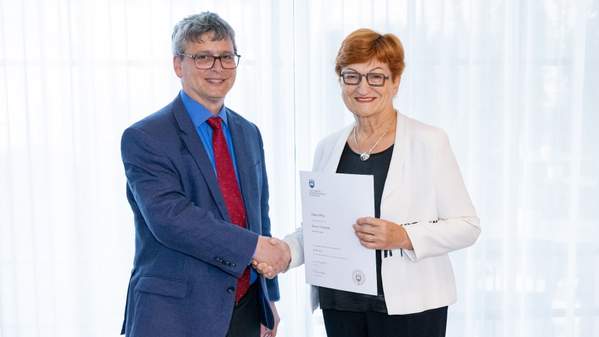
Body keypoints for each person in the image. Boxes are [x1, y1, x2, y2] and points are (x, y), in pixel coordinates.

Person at [255, 28, 481, 337]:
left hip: (410, 307)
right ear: (341, 82)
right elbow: (321, 227)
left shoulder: (428, 141)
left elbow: (467, 225)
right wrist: (286, 252)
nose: (363, 87)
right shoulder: (329, 147)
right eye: (352, 76)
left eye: (376, 76)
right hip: (341, 305)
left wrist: (403, 236)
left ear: (395, 81)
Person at [120, 12, 290, 337]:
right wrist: (256, 247)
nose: (217, 68)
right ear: (177, 64)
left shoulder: (248, 133)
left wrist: (268, 300)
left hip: (245, 309)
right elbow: (171, 219)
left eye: (226, 56)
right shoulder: (146, 137)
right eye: (203, 57)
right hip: (175, 316)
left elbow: (257, 217)